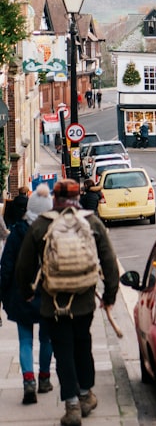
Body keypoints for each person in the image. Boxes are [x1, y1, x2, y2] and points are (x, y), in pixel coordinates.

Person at [15, 179, 119, 426]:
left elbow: (23, 266)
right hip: (83, 301)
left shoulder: (41, 225)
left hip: (53, 302)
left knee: (62, 351)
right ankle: (86, 395)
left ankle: (71, 406)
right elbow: (109, 262)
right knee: (83, 345)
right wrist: (109, 296)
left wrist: (27, 291)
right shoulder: (91, 222)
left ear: (55, 200)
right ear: (76, 198)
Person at [1, 195, 54, 405]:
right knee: (46, 339)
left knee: (25, 340)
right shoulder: (52, 232)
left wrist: (3, 292)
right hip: (48, 294)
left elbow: (6, 266)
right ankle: (44, 378)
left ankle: (28, 381)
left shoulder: (16, 233)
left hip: (22, 293)